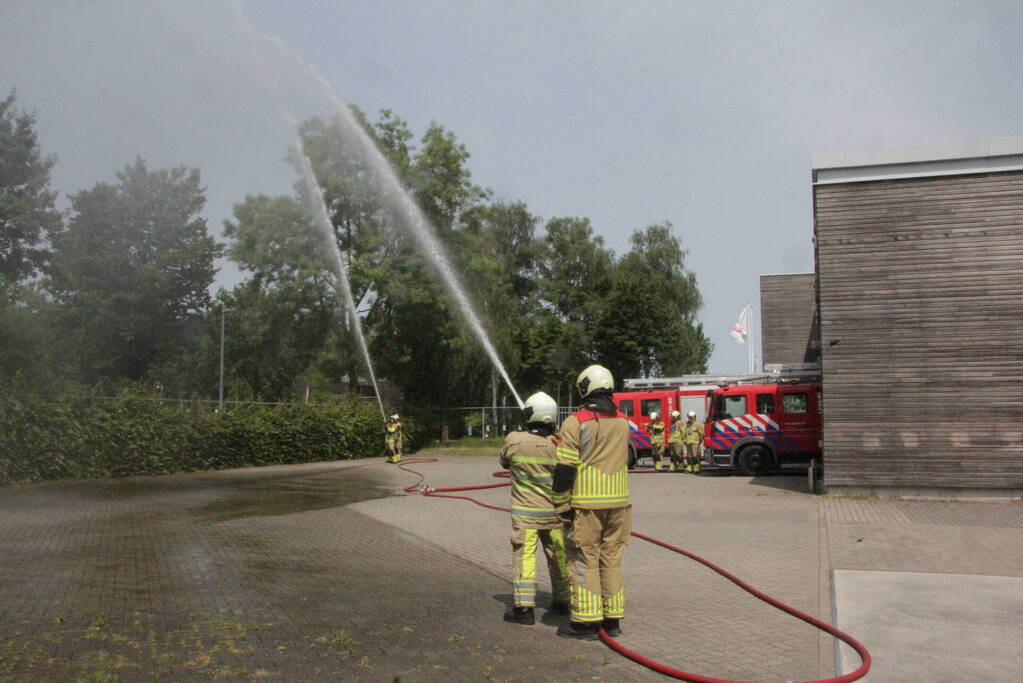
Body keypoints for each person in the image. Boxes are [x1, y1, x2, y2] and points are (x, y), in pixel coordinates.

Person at [553, 365, 631, 640]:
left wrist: (560, 503)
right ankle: (613, 619)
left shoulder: (576, 421)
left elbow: (565, 467)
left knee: (585, 560)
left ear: (584, 388)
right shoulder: (623, 420)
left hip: (587, 504)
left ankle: (585, 622)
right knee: (612, 560)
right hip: (619, 503)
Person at [499, 392, 570, 625]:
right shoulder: (559, 445)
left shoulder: (514, 440)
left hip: (525, 515)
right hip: (554, 514)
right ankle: (563, 601)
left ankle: (524, 609)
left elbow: (504, 461)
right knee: (559, 556)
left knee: (525, 557)